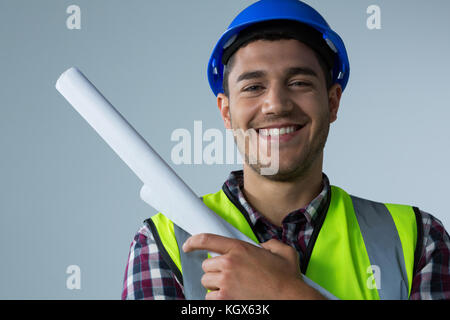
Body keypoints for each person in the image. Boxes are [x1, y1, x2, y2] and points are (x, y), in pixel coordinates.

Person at [121, 0, 450, 300]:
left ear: (332, 102)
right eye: (253, 87)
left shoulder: (417, 238)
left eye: (299, 83)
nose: (276, 104)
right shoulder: (163, 244)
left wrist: (286, 293)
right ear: (226, 111)